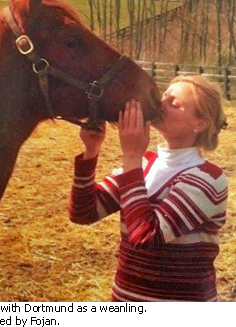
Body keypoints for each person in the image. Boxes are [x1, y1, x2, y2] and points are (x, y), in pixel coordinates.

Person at [69, 75, 228, 302]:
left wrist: (132, 155)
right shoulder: (144, 163)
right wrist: (91, 150)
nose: (160, 103)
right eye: (164, 96)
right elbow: (83, 213)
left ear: (200, 123)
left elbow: (147, 237)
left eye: (174, 103)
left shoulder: (209, 179)